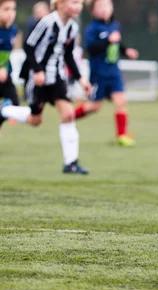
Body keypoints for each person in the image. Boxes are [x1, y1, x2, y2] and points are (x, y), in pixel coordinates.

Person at [0, 0, 92, 175]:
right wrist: (37, 71)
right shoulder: (47, 22)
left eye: (80, 3)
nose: (79, 6)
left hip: (57, 78)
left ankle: (70, 163)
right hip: (38, 79)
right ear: (60, 4)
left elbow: (68, 56)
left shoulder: (72, 27)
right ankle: (4, 110)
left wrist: (81, 80)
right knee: (36, 121)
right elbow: (28, 45)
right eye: (74, 2)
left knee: (68, 114)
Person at [72, 0, 139, 147]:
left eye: (107, 6)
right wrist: (108, 41)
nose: (104, 9)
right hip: (99, 73)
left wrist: (126, 50)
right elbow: (91, 49)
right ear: (92, 11)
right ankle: (69, 117)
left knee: (121, 101)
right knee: (94, 106)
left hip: (114, 72)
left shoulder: (114, 25)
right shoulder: (92, 28)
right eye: (100, 6)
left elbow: (117, 43)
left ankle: (121, 136)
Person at [0, 0, 19, 110]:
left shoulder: (13, 29)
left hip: (5, 74)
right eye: (6, 9)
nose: (10, 13)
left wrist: (4, 68)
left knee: (14, 105)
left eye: (13, 9)